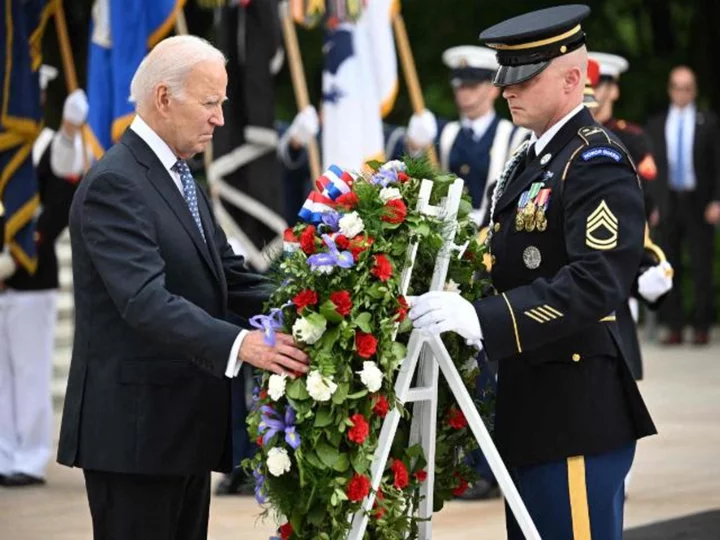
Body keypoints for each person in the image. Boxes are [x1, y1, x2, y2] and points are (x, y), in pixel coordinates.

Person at [409, 6, 656, 539]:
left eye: (525, 77)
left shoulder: (594, 161)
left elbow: (595, 283)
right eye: (506, 77)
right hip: (535, 407)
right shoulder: (533, 159)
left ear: (572, 79)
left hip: (573, 412)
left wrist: (484, 319)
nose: (507, 90)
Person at [56, 36, 310, 539]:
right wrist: (245, 345)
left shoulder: (178, 174)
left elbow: (228, 275)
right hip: (133, 437)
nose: (219, 118)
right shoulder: (116, 182)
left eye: (223, 104)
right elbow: (144, 300)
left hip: (178, 429)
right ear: (164, 98)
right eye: (210, 103)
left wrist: (315, 297)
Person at [0, 68, 90, 487]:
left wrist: (71, 130)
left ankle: (30, 457)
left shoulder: (47, 145)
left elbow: (60, 194)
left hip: (32, 275)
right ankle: (3, 454)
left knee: (30, 370)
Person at [390, 46, 528, 225]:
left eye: (472, 85)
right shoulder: (441, 133)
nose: (464, 92)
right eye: (459, 85)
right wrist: (414, 145)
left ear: (493, 89)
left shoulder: (516, 137)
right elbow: (410, 176)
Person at [647, 66, 720, 345]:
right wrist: (651, 204)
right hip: (667, 202)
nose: (682, 92)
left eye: (688, 87)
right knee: (668, 264)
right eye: (678, 87)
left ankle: (701, 326)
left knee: (702, 265)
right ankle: (674, 326)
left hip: (699, 202)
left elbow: (716, 164)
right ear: (670, 89)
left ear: (695, 90)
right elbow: (650, 170)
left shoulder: (708, 122)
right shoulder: (656, 123)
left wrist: (716, 200)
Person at [589, 52, 660, 225]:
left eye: (595, 86)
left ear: (613, 91)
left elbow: (647, 191)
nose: (588, 93)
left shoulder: (632, 138)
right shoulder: (571, 134)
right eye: (584, 87)